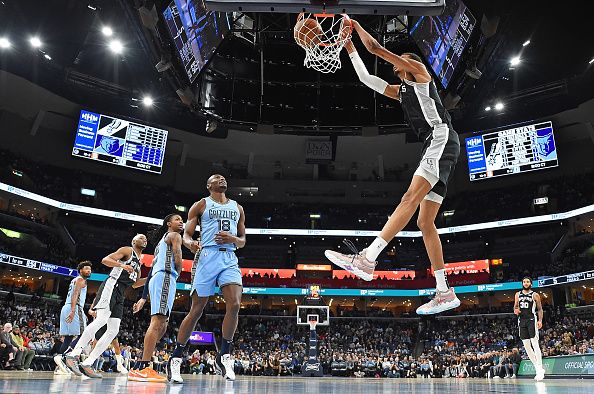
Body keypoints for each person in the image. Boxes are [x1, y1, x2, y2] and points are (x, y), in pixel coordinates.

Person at [324, 18, 460, 315]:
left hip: (441, 138)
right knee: (425, 223)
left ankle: (367, 258)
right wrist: (349, 49)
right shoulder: (403, 91)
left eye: (399, 64)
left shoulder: (420, 73)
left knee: (409, 198)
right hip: (436, 144)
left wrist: (354, 25)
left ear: (408, 63)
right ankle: (444, 291)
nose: (395, 67)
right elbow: (365, 79)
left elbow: (375, 47)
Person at [168, 174, 246, 383]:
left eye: (223, 178)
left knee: (236, 303)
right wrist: (190, 243)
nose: (222, 179)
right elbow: (186, 234)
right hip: (207, 256)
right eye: (217, 178)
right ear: (209, 185)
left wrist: (233, 239)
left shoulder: (238, 207)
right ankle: (176, 357)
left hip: (229, 257)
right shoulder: (201, 205)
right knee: (196, 309)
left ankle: (225, 354)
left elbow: (243, 240)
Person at [62, 235, 148, 378]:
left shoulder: (138, 263)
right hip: (111, 285)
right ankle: (73, 354)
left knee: (113, 330)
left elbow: (135, 284)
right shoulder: (127, 250)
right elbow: (106, 260)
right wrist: (121, 265)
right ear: (134, 241)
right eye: (141, 237)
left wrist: (151, 277)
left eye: (145, 239)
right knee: (101, 320)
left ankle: (88, 362)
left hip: (121, 293)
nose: (144, 239)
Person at [127, 214, 184, 382]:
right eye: (177, 219)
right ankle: (144, 367)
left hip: (159, 278)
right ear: (168, 224)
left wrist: (144, 297)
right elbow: (178, 258)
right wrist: (178, 273)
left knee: (163, 325)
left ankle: (139, 365)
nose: (181, 222)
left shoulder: (161, 242)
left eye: (182, 220)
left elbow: (151, 271)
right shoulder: (174, 236)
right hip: (166, 277)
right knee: (158, 322)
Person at [54, 261, 92, 374]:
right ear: (80, 270)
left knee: (68, 338)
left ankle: (59, 366)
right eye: (86, 268)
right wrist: (73, 310)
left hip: (66, 307)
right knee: (85, 335)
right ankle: (66, 358)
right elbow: (75, 294)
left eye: (90, 269)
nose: (89, 270)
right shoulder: (81, 280)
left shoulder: (74, 280)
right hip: (73, 307)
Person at [514, 276, 545, 380]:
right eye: (524, 282)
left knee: (535, 344)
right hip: (521, 321)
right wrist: (516, 310)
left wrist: (540, 320)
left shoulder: (535, 295)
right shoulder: (517, 294)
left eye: (527, 282)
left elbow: (540, 309)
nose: (526, 283)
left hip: (532, 320)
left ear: (531, 284)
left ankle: (540, 368)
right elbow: (515, 307)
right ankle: (538, 368)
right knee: (526, 346)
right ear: (522, 283)